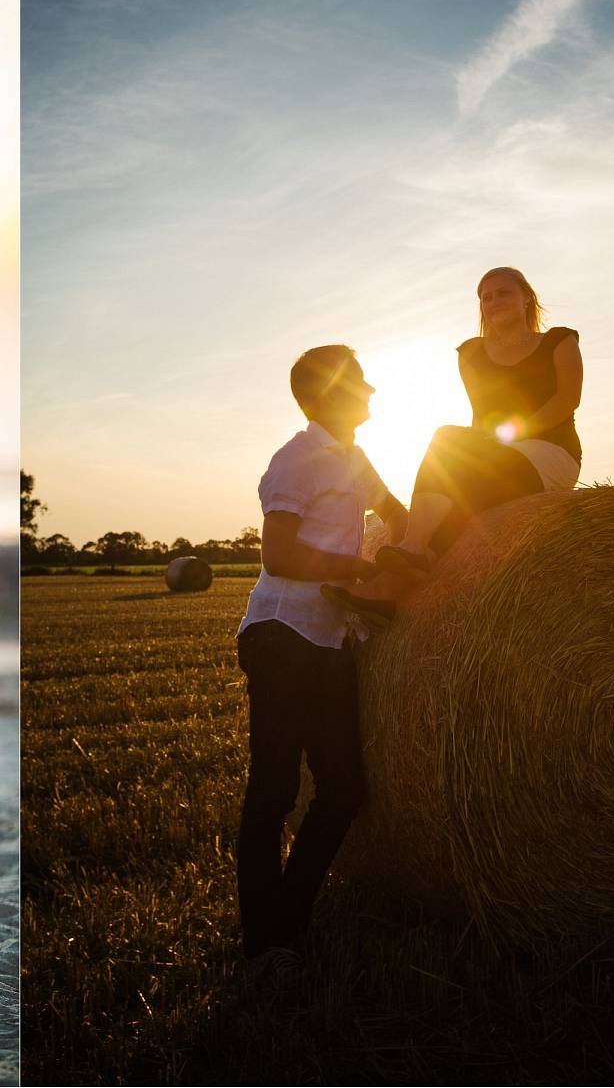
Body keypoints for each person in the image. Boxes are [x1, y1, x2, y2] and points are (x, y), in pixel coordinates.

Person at [235, 345, 407, 966]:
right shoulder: (296, 461)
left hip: (331, 639)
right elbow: (278, 555)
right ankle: (263, 940)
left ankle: (288, 917)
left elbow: (398, 514)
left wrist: (430, 554)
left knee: (343, 789)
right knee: (275, 791)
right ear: (327, 394)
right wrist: (360, 568)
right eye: (359, 380)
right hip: (281, 633)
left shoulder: (355, 460)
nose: (372, 390)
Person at [373, 266, 582, 574]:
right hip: (500, 452)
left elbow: (567, 400)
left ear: (526, 298)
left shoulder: (560, 341)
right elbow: (481, 415)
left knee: (449, 445)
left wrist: (515, 434)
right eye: (486, 297)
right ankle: (398, 579)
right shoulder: (472, 353)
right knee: (453, 492)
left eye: (503, 293)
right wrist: (469, 457)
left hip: (552, 453)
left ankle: (412, 549)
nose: (493, 301)